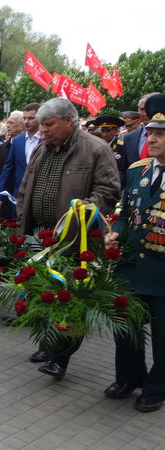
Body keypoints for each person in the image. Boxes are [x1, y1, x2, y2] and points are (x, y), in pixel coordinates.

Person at [16, 97, 121, 378]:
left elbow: (109, 191)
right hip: (41, 239)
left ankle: (60, 358)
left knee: (69, 299)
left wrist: (87, 209)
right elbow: (25, 187)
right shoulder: (41, 148)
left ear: (69, 121)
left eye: (49, 125)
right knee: (43, 294)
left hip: (77, 241)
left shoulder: (95, 149)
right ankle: (47, 344)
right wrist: (20, 224)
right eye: (42, 125)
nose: (44, 131)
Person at [105, 93, 165, 413]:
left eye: (159, 134)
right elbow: (125, 212)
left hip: (163, 271)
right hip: (131, 265)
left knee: (162, 336)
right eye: (151, 131)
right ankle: (129, 377)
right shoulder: (138, 170)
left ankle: (156, 388)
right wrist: (116, 231)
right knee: (125, 326)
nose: (150, 137)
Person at [0, 103, 41, 205]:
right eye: (24, 118)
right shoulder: (17, 141)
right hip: (19, 195)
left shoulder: (46, 140)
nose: (26, 121)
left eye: (31, 118)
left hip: (39, 195)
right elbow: (8, 168)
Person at [117, 92, 161, 165]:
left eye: (149, 108)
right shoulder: (128, 138)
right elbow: (123, 169)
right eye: (142, 109)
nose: (145, 113)